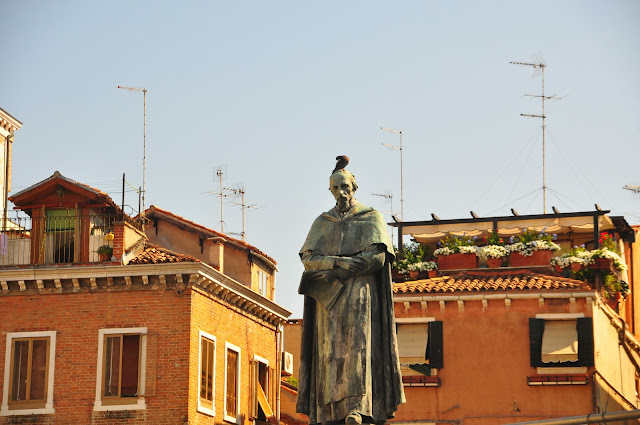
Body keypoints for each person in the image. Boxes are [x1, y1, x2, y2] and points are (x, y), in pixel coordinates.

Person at [296, 159, 405, 425]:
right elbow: (309, 258)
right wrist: (337, 263)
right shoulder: (322, 222)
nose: (341, 191)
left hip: (360, 295)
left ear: (354, 187)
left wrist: (345, 268)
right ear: (330, 191)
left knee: (358, 347)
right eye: (336, 188)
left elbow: (378, 257)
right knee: (328, 351)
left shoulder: (371, 217)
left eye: (345, 186)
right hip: (328, 298)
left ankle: (358, 407)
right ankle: (327, 411)